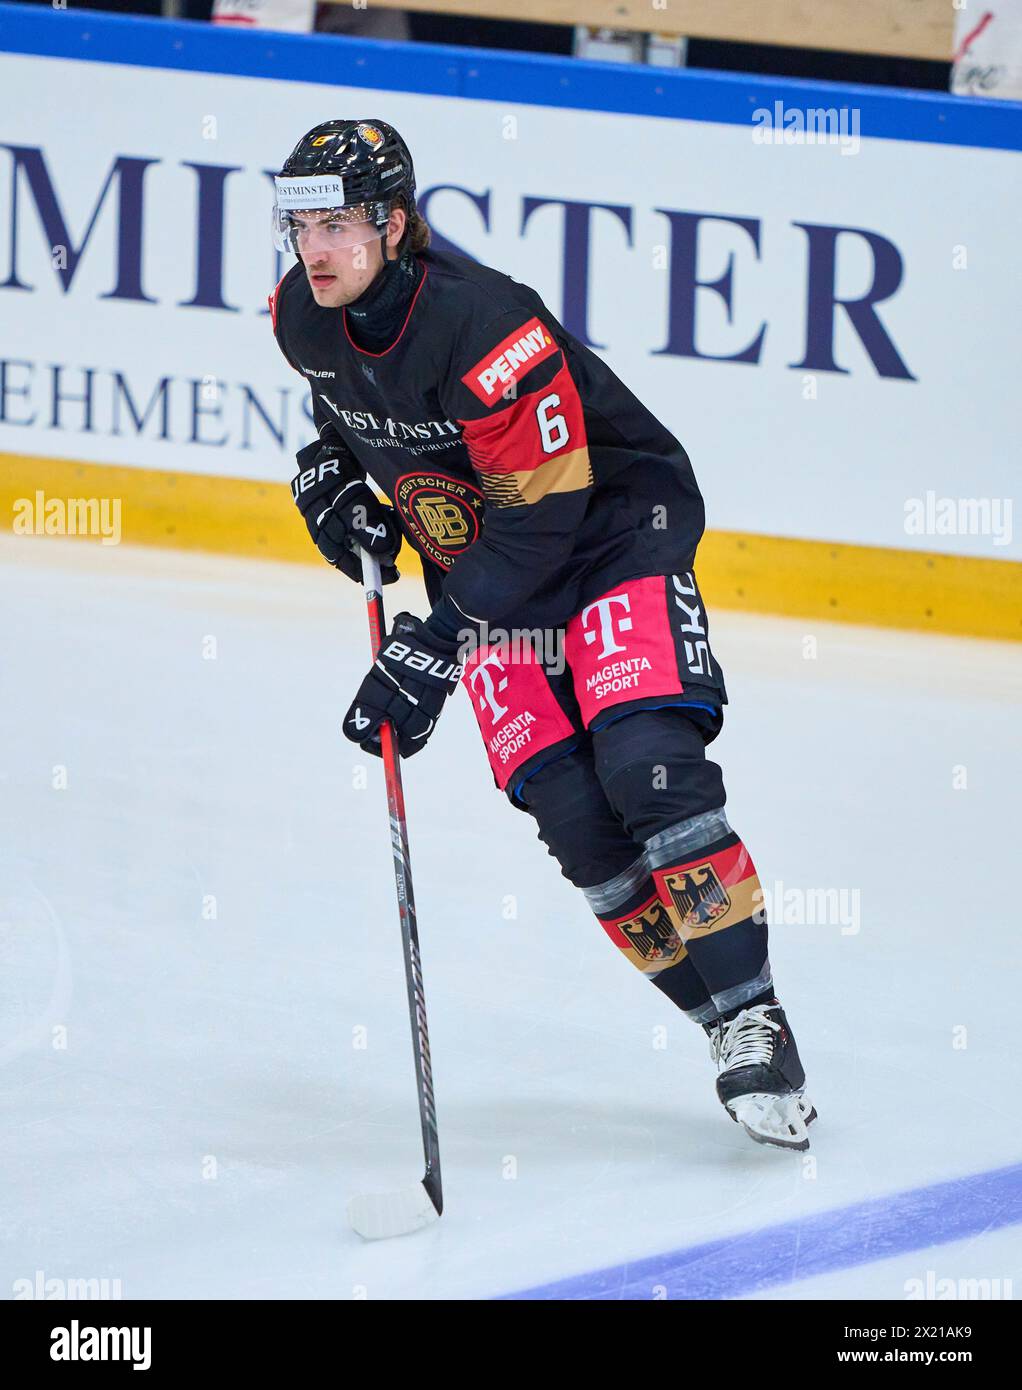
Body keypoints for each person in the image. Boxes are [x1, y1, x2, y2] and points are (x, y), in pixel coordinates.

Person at [269, 119, 817, 1150]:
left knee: (647, 767)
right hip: (487, 563)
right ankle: (720, 1025)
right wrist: (335, 484)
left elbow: (542, 517)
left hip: (608, 532)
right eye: (299, 223)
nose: (315, 248)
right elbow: (358, 423)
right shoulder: (301, 315)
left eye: (337, 223)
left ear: (392, 223)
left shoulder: (485, 323)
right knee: (576, 820)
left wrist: (434, 641)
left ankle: (755, 1010)